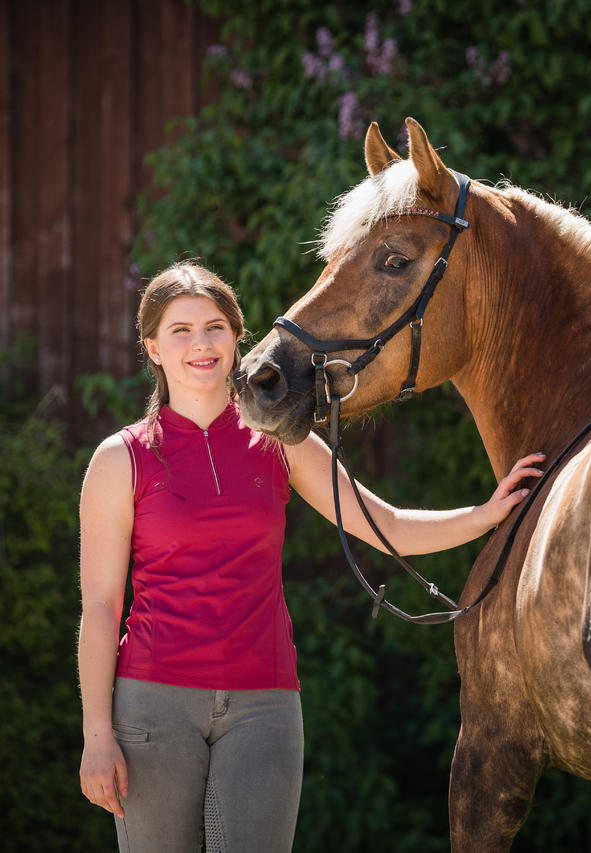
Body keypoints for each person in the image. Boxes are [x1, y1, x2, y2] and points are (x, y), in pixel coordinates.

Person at [77, 260, 543, 852]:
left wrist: (485, 514)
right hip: (152, 705)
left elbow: (386, 524)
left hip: (264, 709)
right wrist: (97, 733)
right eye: (182, 330)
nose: (202, 344)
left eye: (216, 327)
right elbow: (99, 607)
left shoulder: (279, 442)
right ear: (154, 349)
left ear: (238, 338)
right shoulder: (121, 460)